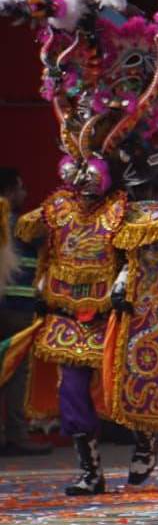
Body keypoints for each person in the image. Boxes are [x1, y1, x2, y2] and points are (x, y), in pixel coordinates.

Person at [2, 0, 158, 493]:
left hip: (118, 310)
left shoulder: (127, 193)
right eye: (74, 166)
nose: (80, 175)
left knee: (126, 382)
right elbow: (30, 232)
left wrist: (125, 285)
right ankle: (89, 469)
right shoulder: (60, 206)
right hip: (69, 311)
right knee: (72, 393)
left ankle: (144, 444)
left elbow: (149, 229)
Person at [0, 168, 49, 457]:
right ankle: (17, 434)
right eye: (21, 188)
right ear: (9, 191)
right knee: (17, 370)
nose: (25, 194)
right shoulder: (20, 224)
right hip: (17, 307)